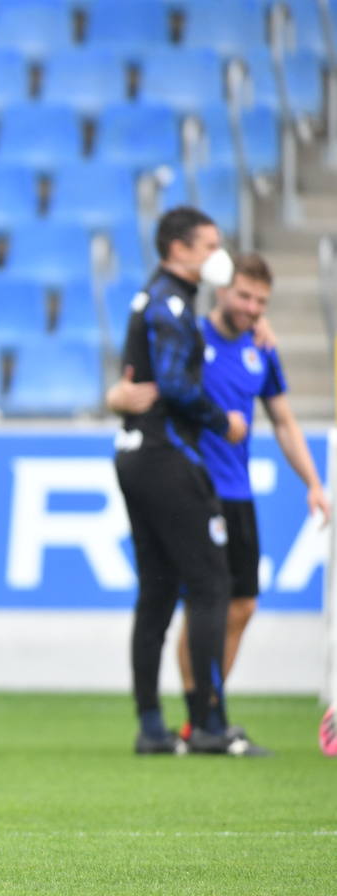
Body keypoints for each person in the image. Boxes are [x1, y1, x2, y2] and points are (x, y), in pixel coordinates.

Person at [106, 252, 329, 754]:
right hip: (193, 485)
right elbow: (147, 383)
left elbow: (284, 421)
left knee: (240, 605)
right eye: (244, 296)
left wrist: (313, 483)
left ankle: (203, 708)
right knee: (204, 599)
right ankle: (202, 716)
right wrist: (116, 396)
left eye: (261, 302)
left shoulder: (261, 349)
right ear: (222, 291)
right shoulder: (189, 337)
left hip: (239, 490)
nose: (252, 307)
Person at [111, 206, 252, 757]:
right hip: (167, 456)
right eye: (209, 244)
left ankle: (151, 725)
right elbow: (174, 383)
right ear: (178, 250)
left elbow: (141, 376)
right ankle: (209, 722)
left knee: (158, 591)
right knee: (212, 584)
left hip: (135, 455)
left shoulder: (153, 298)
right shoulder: (171, 303)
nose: (219, 255)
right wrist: (224, 420)